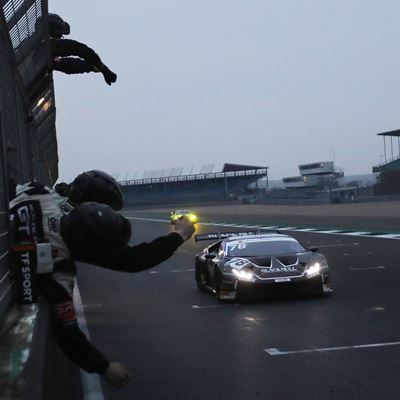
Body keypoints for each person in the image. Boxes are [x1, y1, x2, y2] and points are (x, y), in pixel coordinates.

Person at [10, 177, 195, 388]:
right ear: (91, 253)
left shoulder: (44, 194)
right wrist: (104, 367)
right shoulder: (56, 268)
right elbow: (67, 334)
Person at [48, 13, 117, 85]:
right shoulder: (48, 46)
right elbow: (79, 49)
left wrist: (93, 67)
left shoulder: (43, 52)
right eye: (59, 35)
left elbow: (67, 64)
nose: (59, 38)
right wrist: (101, 67)